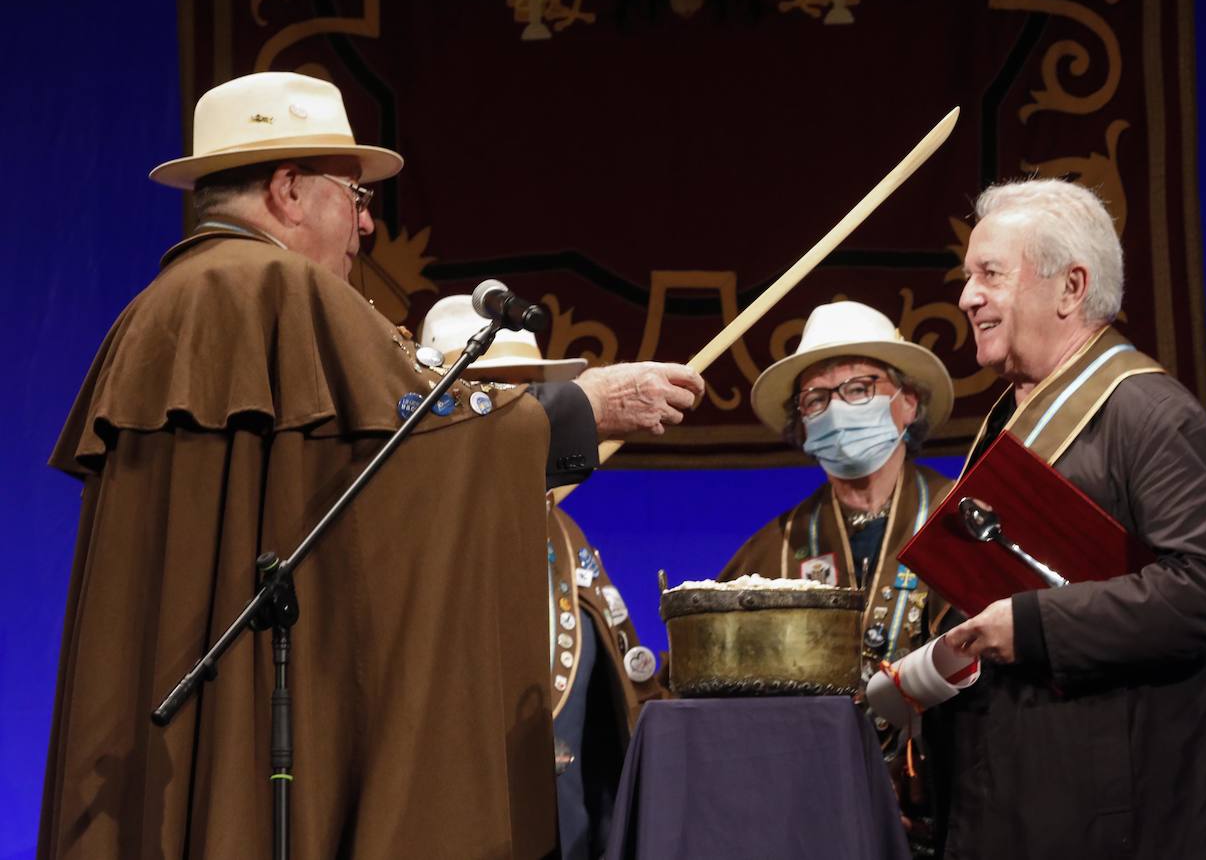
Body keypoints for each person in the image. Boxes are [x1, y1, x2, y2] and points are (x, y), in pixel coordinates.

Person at [40, 71, 702, 859]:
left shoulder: (153, 309)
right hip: (258, 740)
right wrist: (581, 408)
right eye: (353, 197)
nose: (364, 227)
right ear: (288, 189)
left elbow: (318, 498)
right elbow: (420, 456)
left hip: (174, 747)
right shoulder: (285, 292)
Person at [927, 178, 1206, 858]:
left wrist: (1033, 625)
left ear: (1071, 288)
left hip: (1121, 815)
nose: (967, 297)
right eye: (968, 277)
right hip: (1013, 798)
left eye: (990, 274)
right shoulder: (1010, 418)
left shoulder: (1151, 417)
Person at [420, 296, 667, 860]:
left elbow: (617, 697)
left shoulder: (565, 533)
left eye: (530, 396)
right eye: (495, 397)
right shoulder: (414, 543)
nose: (522, 419)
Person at [716, 299, 957, 849]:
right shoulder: (771, 549)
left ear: (908, 404)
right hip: (811, 816)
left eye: (858, 389)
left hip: (947, 815)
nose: (836, 410)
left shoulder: (959, 520)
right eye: (817, 398)